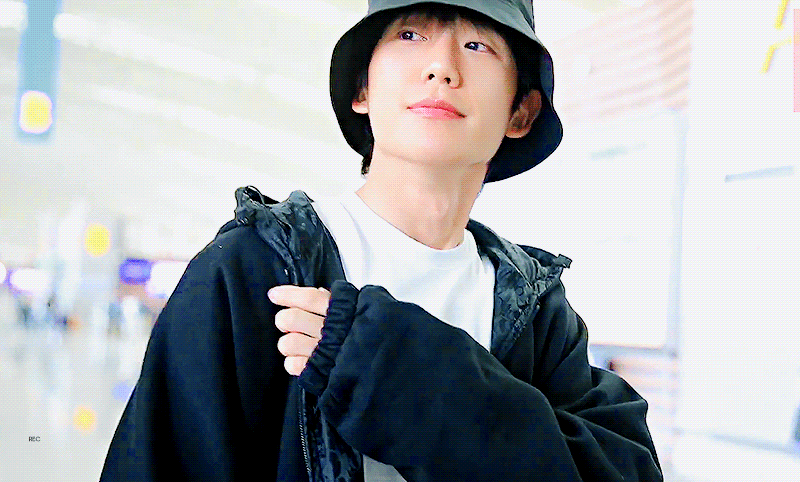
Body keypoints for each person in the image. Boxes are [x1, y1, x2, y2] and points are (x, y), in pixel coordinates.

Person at [100, 1, 662, 481]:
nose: (441, 67)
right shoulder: (259, 270)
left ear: (522, 111)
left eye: (478, 46)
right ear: (362, 88)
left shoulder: (533, 309)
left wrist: (406, 375)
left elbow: (625, 468)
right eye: (410, 35)